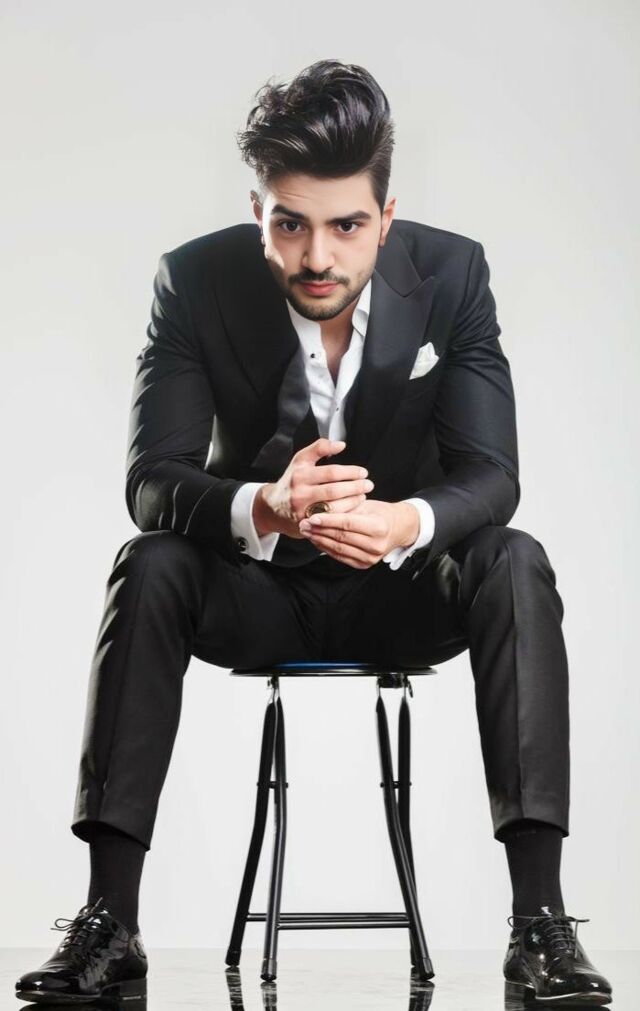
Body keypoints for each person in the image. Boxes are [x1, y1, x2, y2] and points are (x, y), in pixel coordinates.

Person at [16, 58, 612, 1006]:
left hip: (401, 592)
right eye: (290, 225)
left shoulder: (454, 274)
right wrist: (263, 503)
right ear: (258, 211)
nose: (318, 257)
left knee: (515, 560)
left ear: (387, 215)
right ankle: (109, 920)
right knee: (149, 561)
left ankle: (538, 921)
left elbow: (493, 474)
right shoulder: (195, 280)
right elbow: (151, 479)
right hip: (254, 594)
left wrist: (405, 521)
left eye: (347, 226)